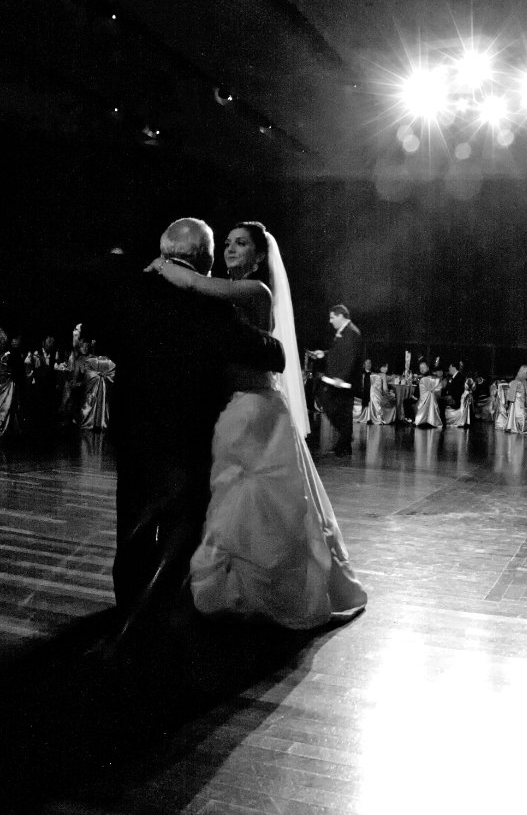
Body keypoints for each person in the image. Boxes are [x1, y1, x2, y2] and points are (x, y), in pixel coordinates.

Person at [149, 221, 367, 629]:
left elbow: (200, 286)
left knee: (258, 504)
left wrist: (166, 267)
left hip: (255, 409)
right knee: (232, 504)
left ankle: (268, 592)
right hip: (228, 407)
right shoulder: (216, 290)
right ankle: (239, 589)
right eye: (227, 243)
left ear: (259, 256)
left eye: (241, 243)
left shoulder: (254, 291)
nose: (231, 249)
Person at [103, 218, 286, 634]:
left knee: (132, 525)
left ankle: (126, 611)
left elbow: (109, 340)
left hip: (133, 429)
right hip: (184, 433)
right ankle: (148, 620)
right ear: (204, 260)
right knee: (178, 530)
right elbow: (264, 352)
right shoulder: (208, 304)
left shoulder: (131, 291)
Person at [310, 305, 364, 457]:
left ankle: (345, 436)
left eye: (333, 317)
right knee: (344, 412)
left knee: (326, 399)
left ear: (341, 316)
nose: (330, 320)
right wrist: (324, 354)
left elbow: (351, 357)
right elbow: (339, 353)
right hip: (339, 380)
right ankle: (344, 445)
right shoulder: (345, 332)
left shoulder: (351, 333)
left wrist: (342, 377)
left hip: (343, 381)